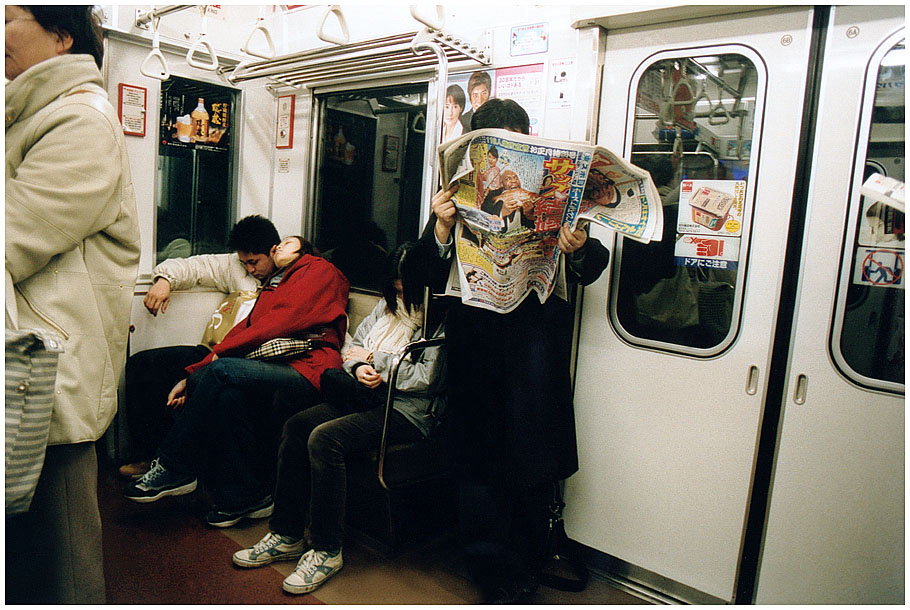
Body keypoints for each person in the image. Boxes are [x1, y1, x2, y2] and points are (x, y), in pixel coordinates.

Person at [415, 98, 610, 603]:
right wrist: (440, 229)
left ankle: (527, 562)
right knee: (479, 467)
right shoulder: (455, 201)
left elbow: (592, 265)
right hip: (477, 351)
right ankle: (490, 574)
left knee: (531, 461)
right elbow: (418, 275)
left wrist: (578, 246)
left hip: (533, 350)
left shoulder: (555, 194)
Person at [5, 6, 141, 604]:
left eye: (10, 18)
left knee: (62, 568)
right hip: (27, 375)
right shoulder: (29, 118)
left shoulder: (80, 122)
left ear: (62, 37)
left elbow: (13, 236)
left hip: (48, 379)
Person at [231, 242, 446, 595]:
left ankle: (327, 548)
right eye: (394, 285)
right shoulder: (387, 307)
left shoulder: (439, 319)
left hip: (409, 410)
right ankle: (286, 533)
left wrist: (378, 363)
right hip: (369, 394)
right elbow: (353, 347)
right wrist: (360, 366)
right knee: (297, 425)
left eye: (405, 285)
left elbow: (429, 379)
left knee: (326, 438)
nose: (399, 292)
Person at [123, 236, 351, 529]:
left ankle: (174, 464)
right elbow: (247, 327)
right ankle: (245, 497)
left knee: (221, 373)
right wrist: (193, 373)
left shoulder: (318, 269)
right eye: (278, 244)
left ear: (304, 249)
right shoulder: (275, 282)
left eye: (288, 243)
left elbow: (281, 322)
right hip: (278, 365)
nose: (278, 246)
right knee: (228, 394)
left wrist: (212, 365)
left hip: (310, 367)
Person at [119, 215, 281, 480]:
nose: (250, 270)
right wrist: (164, 281)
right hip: (212, 352)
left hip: (244, 359)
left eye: (255, 262)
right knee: (142, 365)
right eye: (245, 263)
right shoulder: (236, 268)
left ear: (273, 251)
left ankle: (179, 464)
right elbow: (193, 267)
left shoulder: (290, 279)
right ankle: (152, 455)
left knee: (201, 385)